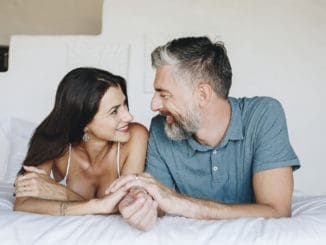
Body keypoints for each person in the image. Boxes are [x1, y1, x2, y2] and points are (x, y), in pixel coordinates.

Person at [108, 36, 300, 230]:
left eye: (164, 95)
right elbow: (156, 201)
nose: (154, 105)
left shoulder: (263, 115)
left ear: (202, 95)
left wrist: (184, 204)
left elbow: (277, 212)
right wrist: (138, 203)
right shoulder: (161, 128)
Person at [14, 67, 156, 225]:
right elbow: (23, 203)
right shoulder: (49, 139)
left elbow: (128, 203)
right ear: (83, 121)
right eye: (114, 111)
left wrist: (63, 194)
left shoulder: (136, 135)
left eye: (124, 105)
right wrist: (96, 206)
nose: (128, 116)